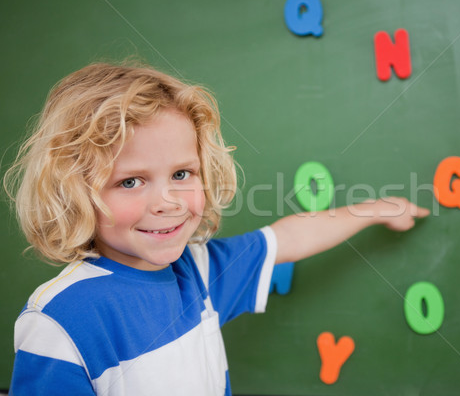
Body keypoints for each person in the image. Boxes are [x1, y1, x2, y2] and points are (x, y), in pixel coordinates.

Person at [4, 62, 429, 396]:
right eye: (130, 181)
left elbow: (293, 236)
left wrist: (376, 209)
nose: (167, 202)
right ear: (74, 191)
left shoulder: (201, 270)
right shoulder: (59, 321)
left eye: (183, 174)